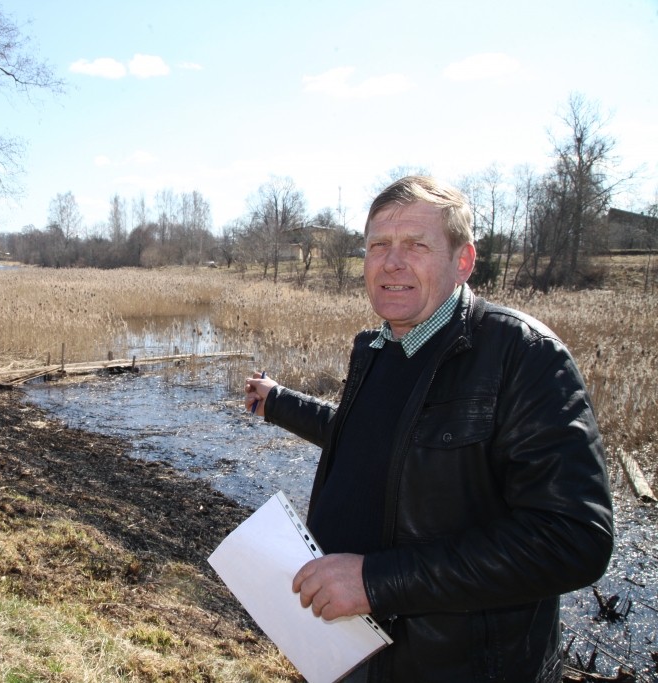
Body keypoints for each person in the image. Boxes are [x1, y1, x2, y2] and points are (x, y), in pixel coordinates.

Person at [245, 176, 613, 682]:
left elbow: (573, 539)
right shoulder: (376, 349)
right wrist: (278, 402)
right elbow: (374, 441)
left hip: (455, 665)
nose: (392, 262)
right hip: (348, 644)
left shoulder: (521, 355)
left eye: (416, 245)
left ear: (462, 261)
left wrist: (377, 582)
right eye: (379, 245)